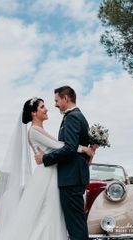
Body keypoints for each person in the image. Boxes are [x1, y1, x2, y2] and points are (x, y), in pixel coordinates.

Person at [0, 97, 94, 240]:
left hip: (51, 174)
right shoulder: (34, 130)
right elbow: (60, 146)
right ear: (34, 113)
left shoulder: (39, 130)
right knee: (48, 214)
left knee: (49, 215)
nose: (46, 109)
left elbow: (59, 146)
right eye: (42, 107)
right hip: (47, 176)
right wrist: (83, 148)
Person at [35, 86, 92, 240]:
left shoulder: (73, 117)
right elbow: (75, 147)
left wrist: (45, 159)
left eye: (56, 100)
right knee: (77, 223)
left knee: (75, 226)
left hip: (71, 178)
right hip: (74, 176)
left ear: (65, 98)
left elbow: (69, 148)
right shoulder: (77, 116)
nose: (55, 105)